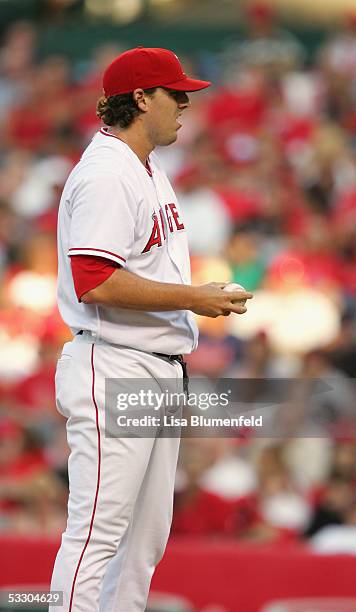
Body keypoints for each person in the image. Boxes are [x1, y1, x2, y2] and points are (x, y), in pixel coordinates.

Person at [50, 46, 252, 612]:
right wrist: (195, 298)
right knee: (97, 534)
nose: (186, 103)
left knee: (143, 542)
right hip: (114, 362)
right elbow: (96, 282)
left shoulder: (144, 166)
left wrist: (193, 298)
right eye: (174, 92)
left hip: (153, 367)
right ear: (139, 99)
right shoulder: (108, 172)